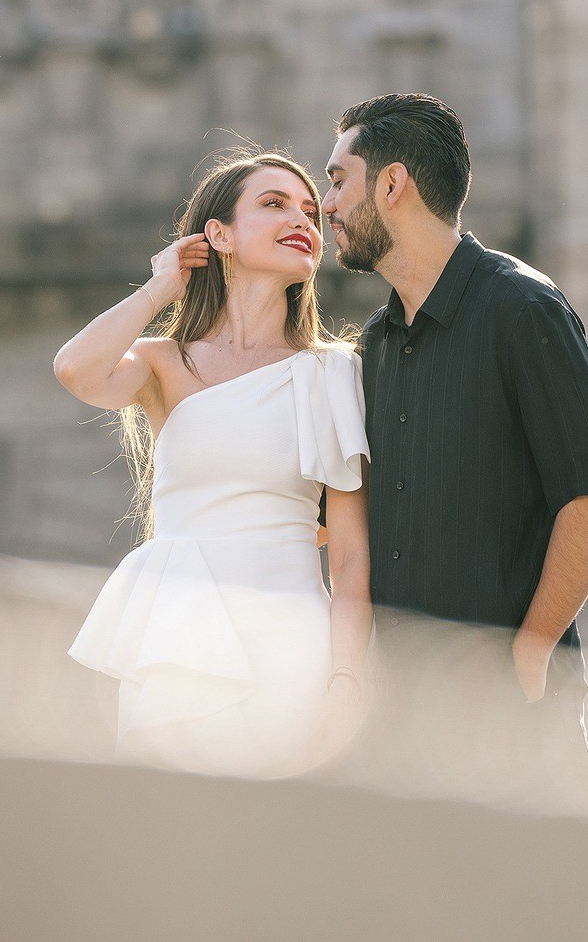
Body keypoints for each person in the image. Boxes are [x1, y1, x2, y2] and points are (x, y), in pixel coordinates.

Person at [320, 93, 588, 772]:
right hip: (395, 722)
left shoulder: (524, 310)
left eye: (338, 179)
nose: (327, 205)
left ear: (393, 184)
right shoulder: (373, 345)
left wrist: (529, 649)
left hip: (508, 716)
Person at [55, 149, 371, 776]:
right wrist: (160, 288)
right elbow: (74, 369)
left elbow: (350, 555)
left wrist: (346, 679)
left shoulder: (332, 372)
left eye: (311, 209)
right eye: (274, 203)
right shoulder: (163, 363)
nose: (303, 218)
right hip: (180, 637)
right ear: (218, 235)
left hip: (292, 641)